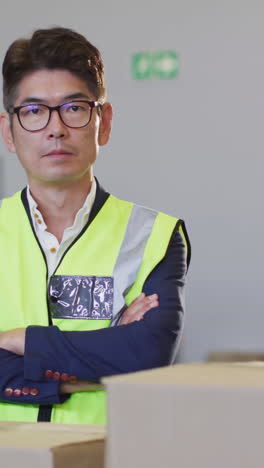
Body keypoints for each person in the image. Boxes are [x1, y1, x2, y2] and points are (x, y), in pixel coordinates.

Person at [0, 27, 191, 425]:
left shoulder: (154, 235)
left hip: (107, 455)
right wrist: (94, 367)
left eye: (73, 108)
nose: (55, 128)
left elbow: (148, 352)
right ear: (9, 132)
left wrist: (17, 341)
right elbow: (124, 359)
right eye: (33, 111)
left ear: (103, 122)